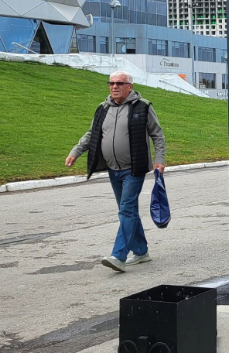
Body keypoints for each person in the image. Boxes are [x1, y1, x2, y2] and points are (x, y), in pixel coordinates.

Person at [66, 71, 165, 273]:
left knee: (126, 210)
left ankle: (118, 256)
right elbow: (91, 134)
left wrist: (159, 160)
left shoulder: (143, 106)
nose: (114, 86)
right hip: (113, 169)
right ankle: (141, 252)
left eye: (120, 83)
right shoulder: (103, 108)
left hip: (134, 169)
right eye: (111, 83)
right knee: (128, 211)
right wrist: (76, 152)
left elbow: (157, 135)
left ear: (130, 86)